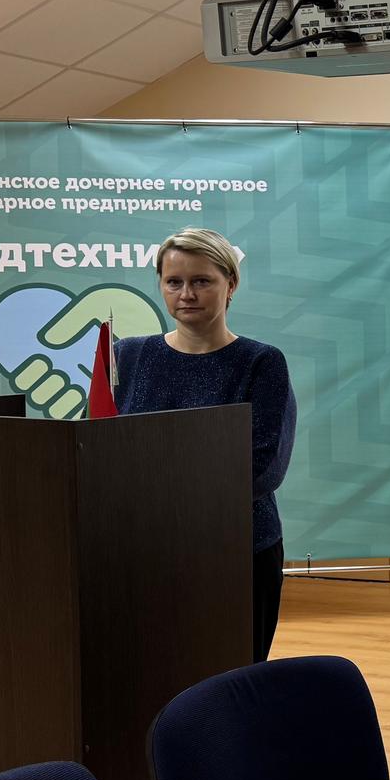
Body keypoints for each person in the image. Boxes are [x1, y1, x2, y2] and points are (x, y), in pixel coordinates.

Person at [115, 228, 298, 661]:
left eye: (201, 281)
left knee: (233, 677)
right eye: (173, 281)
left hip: (237, 550)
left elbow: (263, 466)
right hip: (144, 550)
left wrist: (169, 501)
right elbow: (104, 446)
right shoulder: (127, 355)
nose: (186, 294)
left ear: (230, 284)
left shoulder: (261, 361)